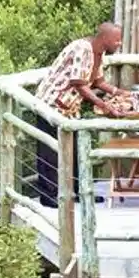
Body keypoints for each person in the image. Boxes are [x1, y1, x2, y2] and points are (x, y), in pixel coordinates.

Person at [33, 22, 128, 205]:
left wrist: (118, 92)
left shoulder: (98, 54)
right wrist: (103, 104)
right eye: (116, 40)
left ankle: (80, 192)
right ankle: (48, 196)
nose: (119, 43)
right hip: (51, 103)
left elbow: (98, 82)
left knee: (78, 152)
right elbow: (78, 82)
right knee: (49, 152)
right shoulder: (83, 49)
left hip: (70, 108)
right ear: (104, 38)